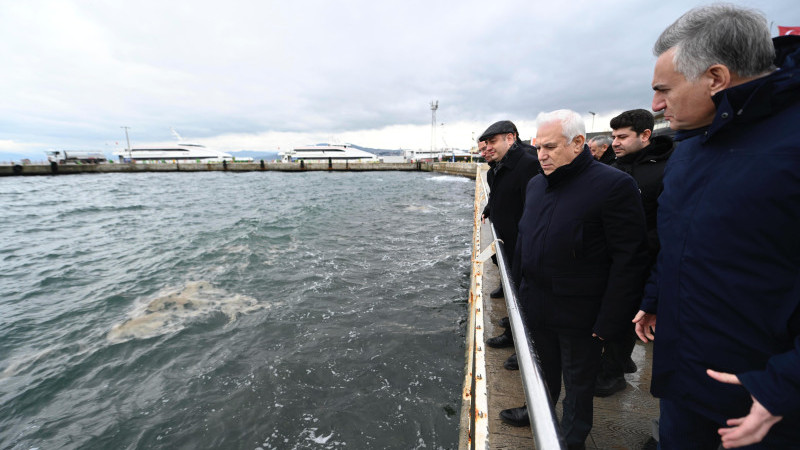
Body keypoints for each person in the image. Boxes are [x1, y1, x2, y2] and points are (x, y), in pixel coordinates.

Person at [634, 5, 800, 448]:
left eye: (663, 89)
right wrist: (655, 297)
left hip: (768, 406)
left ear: (716, 78)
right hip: (684, 386)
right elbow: (679, 240)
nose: (655, 105)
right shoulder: (689, 146)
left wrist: (783, 385)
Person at [501, 110, 648, 450]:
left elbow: (630, 259)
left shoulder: (614, 186)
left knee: (579, 384)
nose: (541, 155)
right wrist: (520, 297)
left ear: (578, 143)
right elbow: (525, 240)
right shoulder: (536, 184)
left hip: (582, 313)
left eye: (550, 147)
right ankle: (536, 410)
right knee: (542, 370)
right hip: (537, 302)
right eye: (538, 147)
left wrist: (610, 320)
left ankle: (571, 439)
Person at [594, 109, 674, 397]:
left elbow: (668, 221)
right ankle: (620, 361)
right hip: (613, 258)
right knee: (616, 312)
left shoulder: (665, 170)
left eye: (623, 137)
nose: (616, 142)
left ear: (645, 135)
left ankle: (612, 374)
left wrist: (645, 247)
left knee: (627, 315)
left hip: (646, 260)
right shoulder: (615, 167)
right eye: (614, 136)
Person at [479, 121, 541, 356]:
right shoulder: (500, 166)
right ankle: (514, 332)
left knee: (524, 296)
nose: (489, 148)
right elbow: (499, 195)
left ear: (511, 138)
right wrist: (489, 208)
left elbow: (533, 207)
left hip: (522, 243)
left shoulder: (527, 165)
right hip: (510, 242)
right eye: (487, 143)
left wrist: (528, 243)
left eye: (493, 142)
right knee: (516, 294)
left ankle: (524, 348)